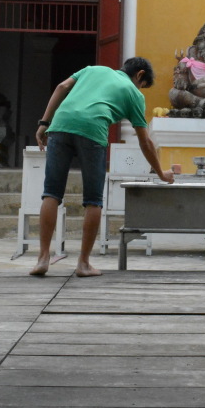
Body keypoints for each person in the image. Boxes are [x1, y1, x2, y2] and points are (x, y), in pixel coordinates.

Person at [32, 57, 175, 277]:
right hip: (93, 130)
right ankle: (83, 263)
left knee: (51, 193)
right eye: (143, 86)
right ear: (140, 75)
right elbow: (145, 141)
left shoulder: (92, 69)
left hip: (60, 125)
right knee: (93, 200)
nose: (141, 90)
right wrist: (161, 173)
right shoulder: (134, 93)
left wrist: (44, 122)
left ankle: (42, 258)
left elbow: (62, 87)